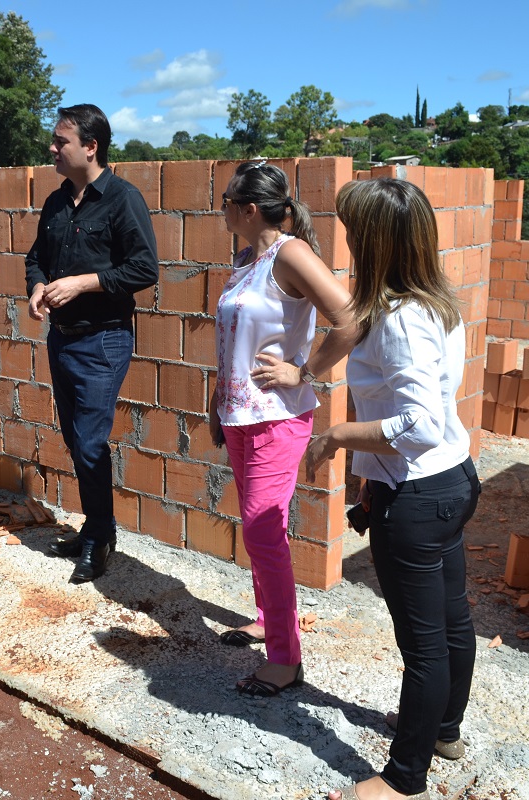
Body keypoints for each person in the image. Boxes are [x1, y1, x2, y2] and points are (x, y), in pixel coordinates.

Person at [306, 178, 479, 800]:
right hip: (452, 481)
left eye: (353, 232)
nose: (347, 242)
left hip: (417, 498)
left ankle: (403, 780)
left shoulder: (401, 320)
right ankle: (443, 730)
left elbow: (419, 426)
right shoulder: (435, 302)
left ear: (376, 242)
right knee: (452, 620)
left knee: (423, 647)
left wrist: (337, 436)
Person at [210, 160, 358, 697]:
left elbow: (350, 317)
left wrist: (304, 371)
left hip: (276, 416)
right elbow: (235, 341)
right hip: (240, 415)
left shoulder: (290, 253)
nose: (223, 211)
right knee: (262, 529)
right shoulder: (246, 259)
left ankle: (285, 658)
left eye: (226, 203)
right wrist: (217, 399)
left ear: (248, 209)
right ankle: (268, 618)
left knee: (260, 530)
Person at [25, 104, 158, 583]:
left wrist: (83, 284)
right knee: (76, 440)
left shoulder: (123, 199)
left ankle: (100, 538)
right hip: (61, 339)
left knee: (89, 443)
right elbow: (36, 258)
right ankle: (94, 528)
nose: (52, 148)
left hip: (104, 341)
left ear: (90, 147)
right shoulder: (57, 201)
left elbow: (144, 269)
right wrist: (38, 286)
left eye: (61, 141)